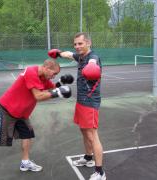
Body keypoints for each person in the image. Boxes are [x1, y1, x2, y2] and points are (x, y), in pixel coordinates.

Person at [0, 59, 73, 180]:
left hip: (22, 114)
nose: (54, 76)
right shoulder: (31, 72)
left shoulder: (44, 77)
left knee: (27, 135)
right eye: (54, 73)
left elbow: (51, 88)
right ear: (47, 68)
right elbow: (38, 96)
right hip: (7, 110)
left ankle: (25, 162)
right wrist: (58, 93)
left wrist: (61, 83)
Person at [48, 32, 106, 180]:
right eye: (75, 44)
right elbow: (69, 55)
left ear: (88, 43)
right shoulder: (80, 56)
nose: (77, 47)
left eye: (80, 44)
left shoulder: (92, 57)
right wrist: (60, 53)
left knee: (92, 135)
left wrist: (91, 68)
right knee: (83, 131)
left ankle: (100, 172)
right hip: (81, 101)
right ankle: (88, 157)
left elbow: (93, 63)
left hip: (90, 102)